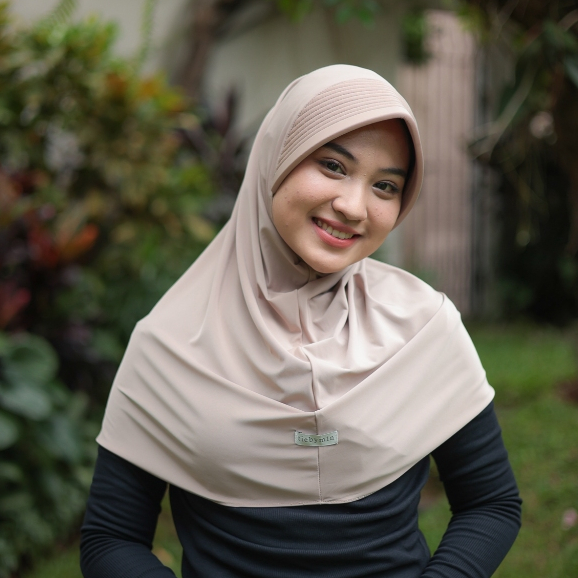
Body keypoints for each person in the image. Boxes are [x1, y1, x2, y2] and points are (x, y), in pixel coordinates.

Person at [80, 65, 522, 578]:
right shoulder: (172, 341)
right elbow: (111, 539)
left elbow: (490, 503)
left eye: (384, 186)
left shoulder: (423, 328)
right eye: (333, 165)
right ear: (277, 157)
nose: (353, 206)